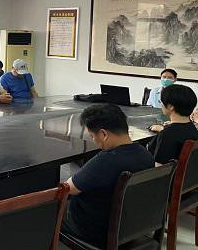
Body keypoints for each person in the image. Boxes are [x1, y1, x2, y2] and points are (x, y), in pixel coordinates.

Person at [61, 104, 154, 248]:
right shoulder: (145, 154)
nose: (93, 140)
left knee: (51, 213)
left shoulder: (106, 160)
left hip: (98, 231)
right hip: (134, 224)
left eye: (92, 136)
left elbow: (70, 188)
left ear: (103, 134)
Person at [146, 85, 198, 165]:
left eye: (161, 101)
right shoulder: (192, 128)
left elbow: (159, 168)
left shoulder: (166, 134)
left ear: (170, 106)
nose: (161, 104)